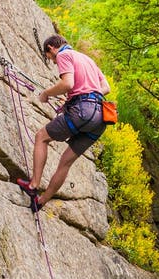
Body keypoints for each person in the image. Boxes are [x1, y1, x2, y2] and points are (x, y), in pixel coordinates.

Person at [17, 34, 111, 212]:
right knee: (65, 163)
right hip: (100, 118)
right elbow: (105, 88)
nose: (53, 62)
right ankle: (41, 201)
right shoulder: (88, 60)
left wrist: (46, 94)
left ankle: (33, 185)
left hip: (83, 112)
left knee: (41, 137)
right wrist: (78, 99)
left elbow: (68, 83)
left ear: (52, 48)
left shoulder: (63, 55)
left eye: (50, 58)